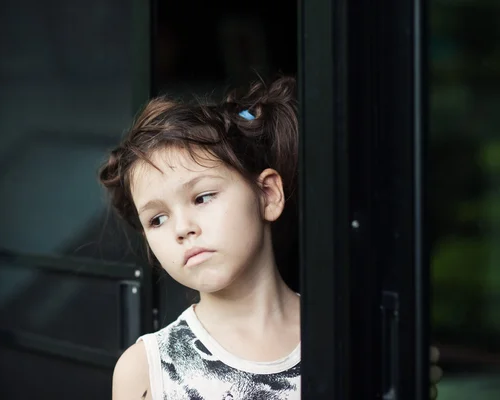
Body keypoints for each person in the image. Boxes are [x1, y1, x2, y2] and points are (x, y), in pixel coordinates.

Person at [99, 76, 442, 399]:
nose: (182, 228)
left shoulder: (351, 337)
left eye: (202, 197)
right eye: (157, 219)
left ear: (267, 193)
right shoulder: (146, 368)